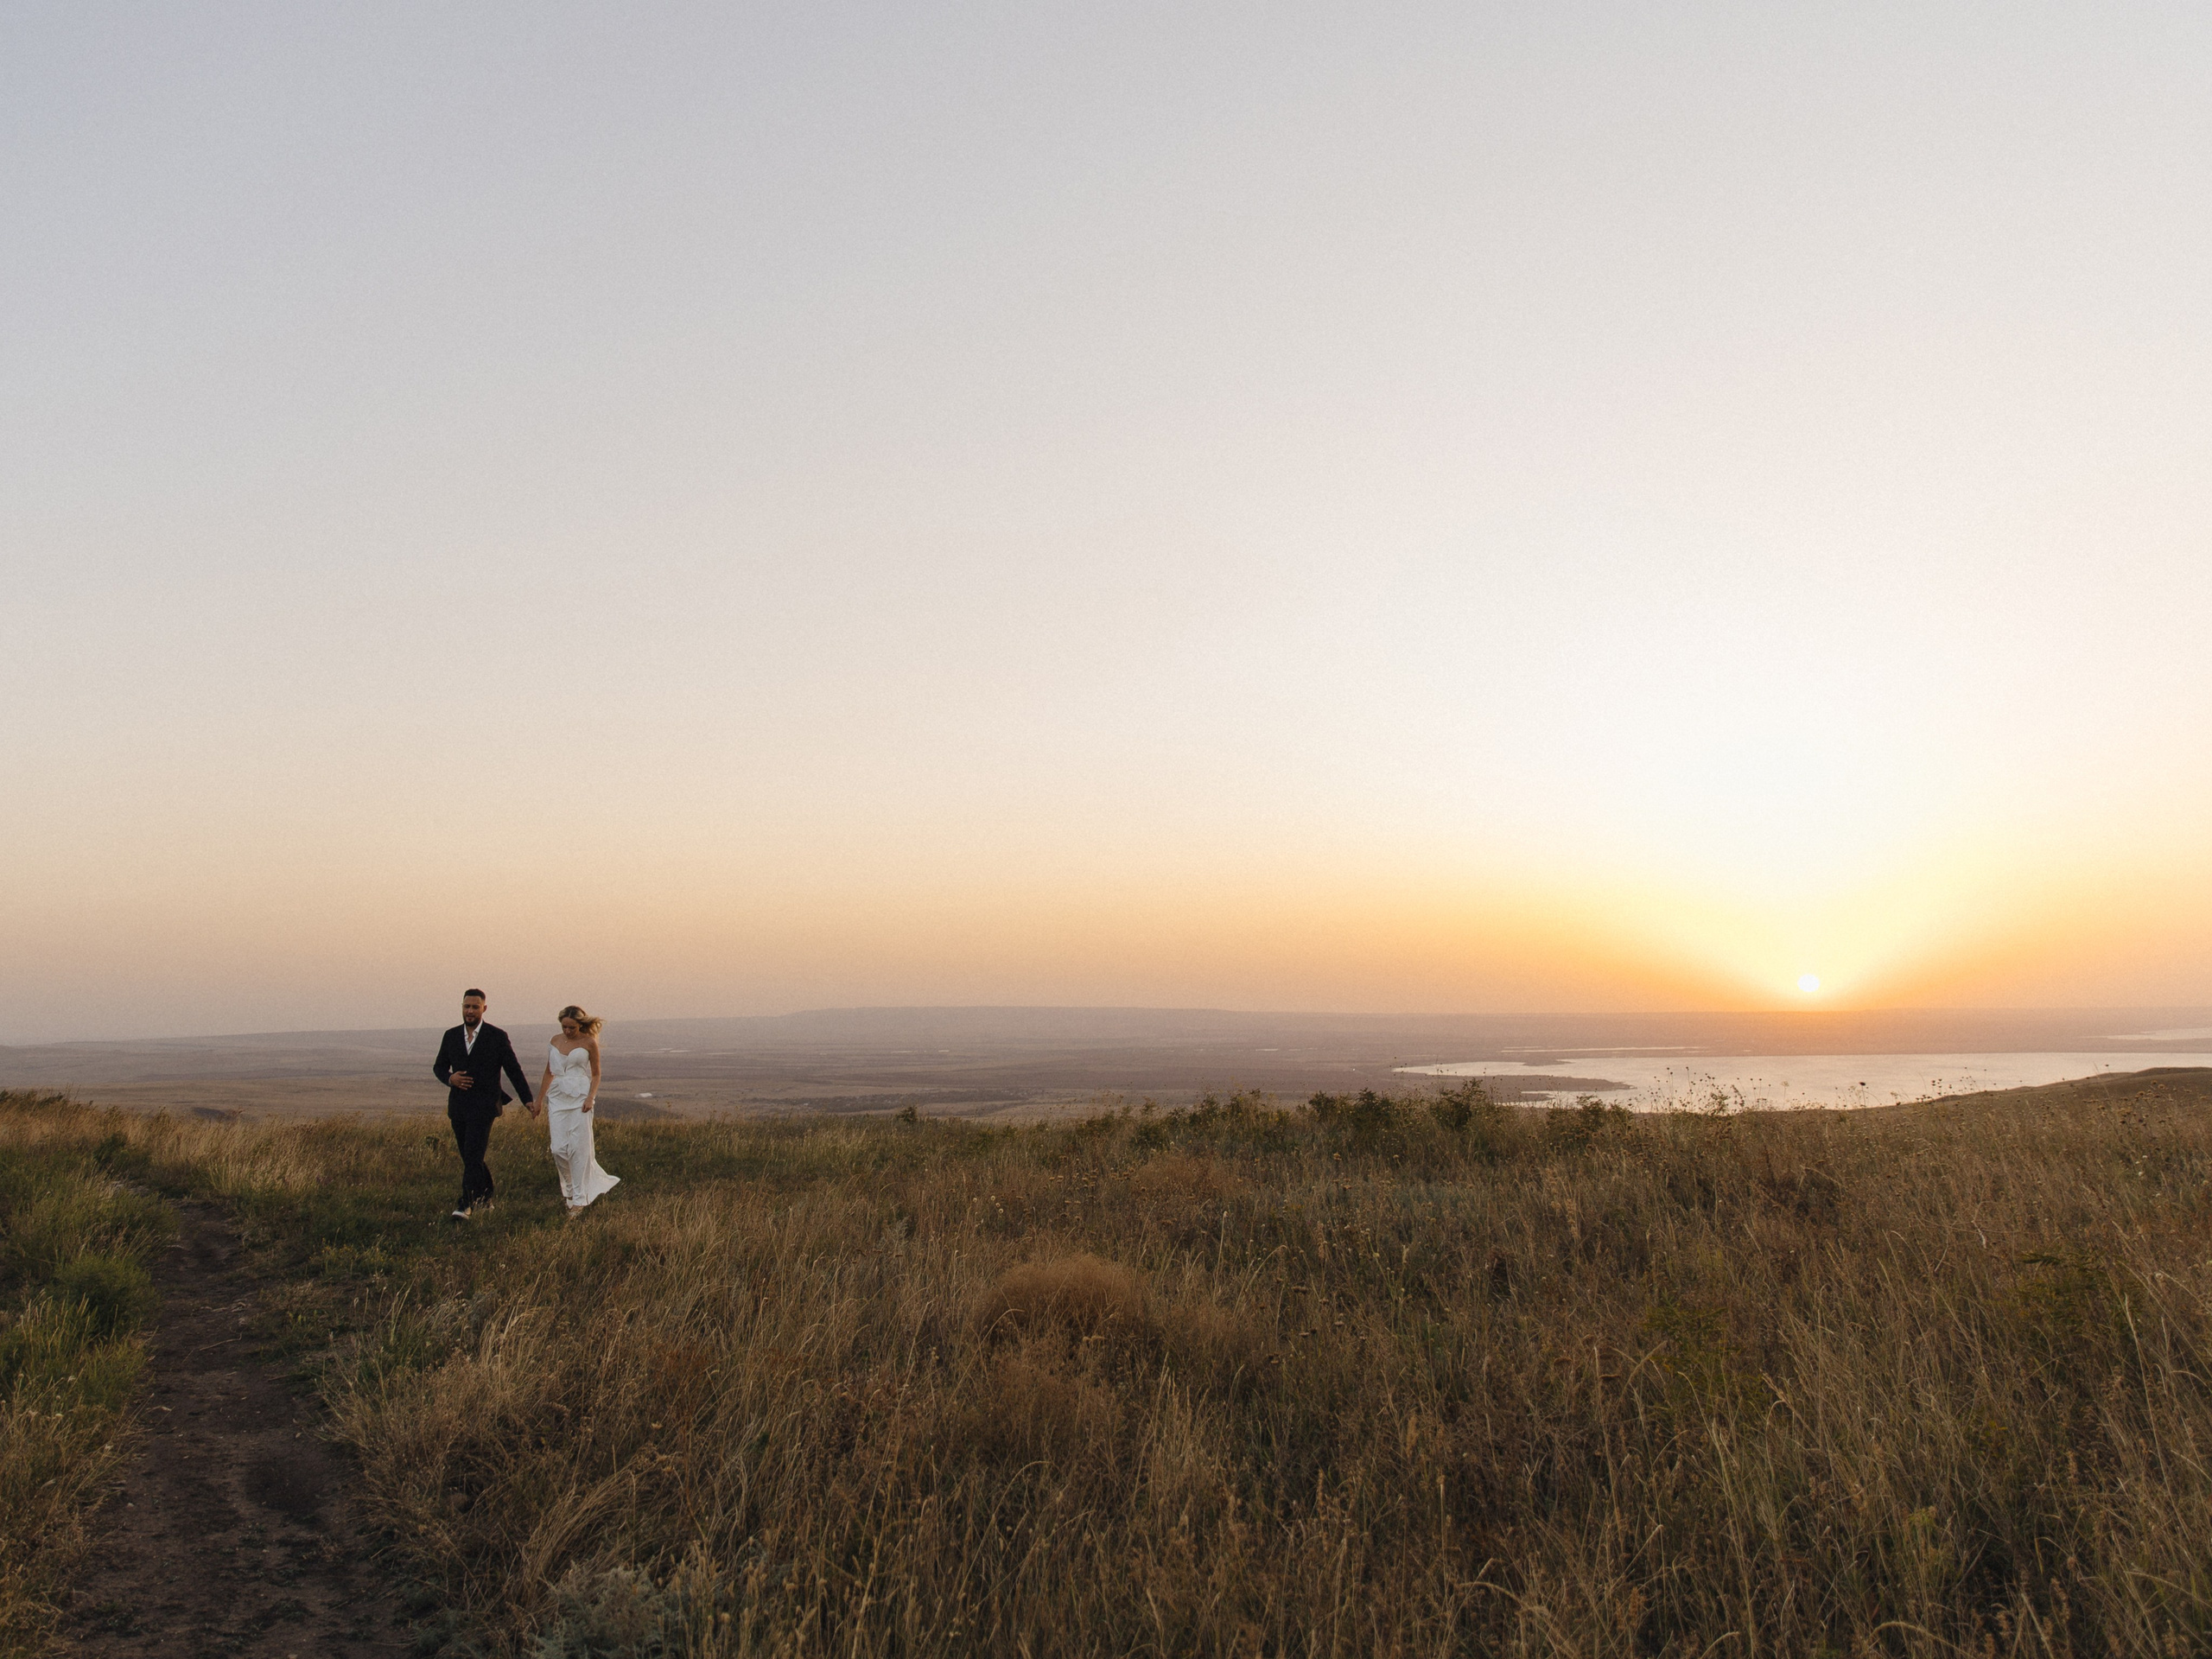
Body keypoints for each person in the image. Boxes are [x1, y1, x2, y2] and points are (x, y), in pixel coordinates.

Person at [432, 988, 534, 1221]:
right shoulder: (451, 1035)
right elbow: (439, 1066)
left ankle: (465, 1205)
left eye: (475, 1007)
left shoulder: (496, 1036)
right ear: (462, 1007)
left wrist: (527, 1099)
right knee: (470, 1156)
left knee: (473, 1154)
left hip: (485, 1106)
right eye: (466, 1006)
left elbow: (513, 1069)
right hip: (458, 1106)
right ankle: (486, 1196)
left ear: (484, 1009)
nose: (470, 1011)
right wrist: (450, 1078)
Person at [536, 1004, 620, 1217]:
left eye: (571, 1027)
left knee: (578, 1148)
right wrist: (539, 1100)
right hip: (557, 1098)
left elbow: (596, 1074)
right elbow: (549, 1072)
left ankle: (579, 1199)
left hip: (580, 1098)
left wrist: (591, 1097)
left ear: (580, 1025)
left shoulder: (589, 1042)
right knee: (558, 1149)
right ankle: (570, 1189)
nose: (567, 1031)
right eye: (564, 1027)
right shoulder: (554, 1041)